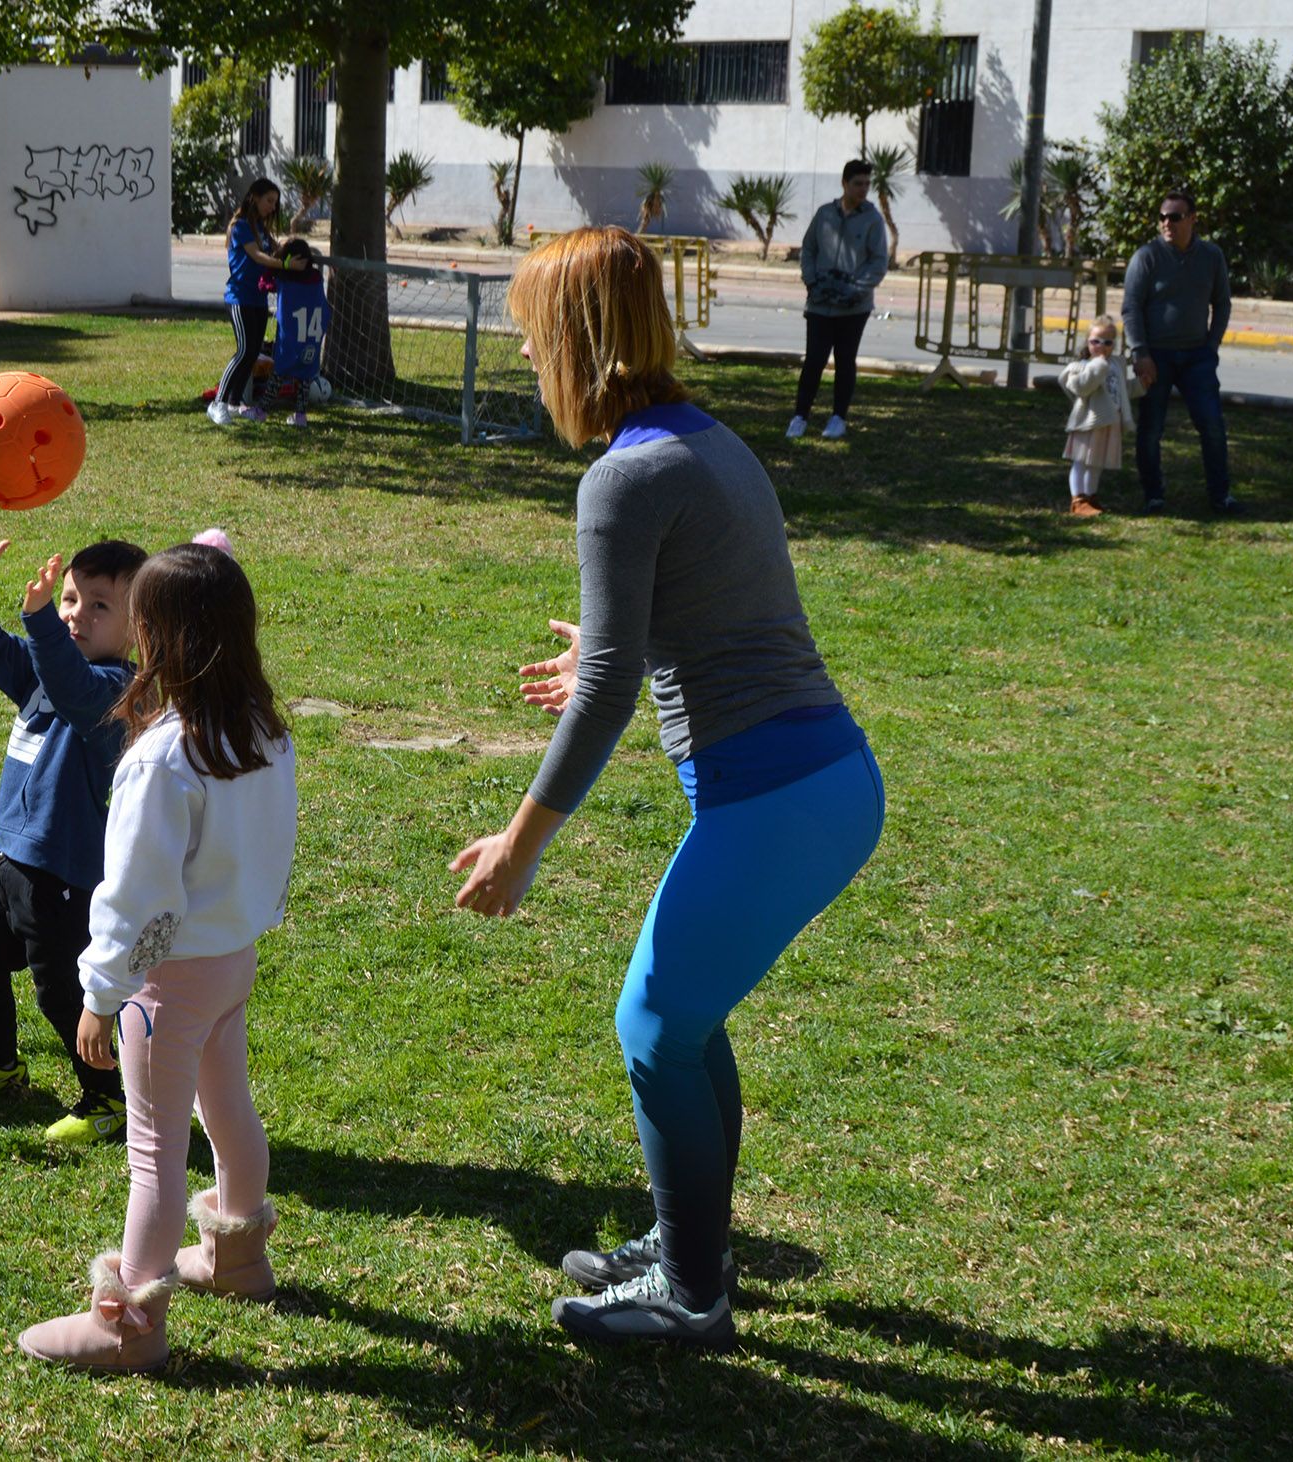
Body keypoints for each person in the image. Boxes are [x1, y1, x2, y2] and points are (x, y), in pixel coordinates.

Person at [455, 227, 885, 1350]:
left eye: (527, 334)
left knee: (652, 1026)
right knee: (683, 1023)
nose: (520, 354)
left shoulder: (621, 477)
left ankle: (692, 1293)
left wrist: (519, 840)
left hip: (780, 792)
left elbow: (604, 690)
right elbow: (694, 618)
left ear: (571, 339)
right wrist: (615, 646)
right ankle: (690, 1242)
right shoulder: (698, 441)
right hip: (812, 782)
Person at [17, 539, 298, 1374]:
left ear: (153, 635)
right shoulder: (264, 731)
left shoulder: (161, 756)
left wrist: (104, 993)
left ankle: (129, 1322)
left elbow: (137, 891)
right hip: (232, 959)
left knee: (153, 1147)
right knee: (228, 1107)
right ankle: (238, 1257)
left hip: (165, 980)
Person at [0, 514, 148, 1146]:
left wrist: (43, 619)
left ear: (140, 630)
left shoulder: (117, 690)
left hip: (64, 875)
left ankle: (107, 1098)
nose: (76, 614)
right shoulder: (50, 668)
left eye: (99, 606)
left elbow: (73, 690)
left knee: (61, 996)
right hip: (12, 860)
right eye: (71, 597)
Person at [1122, 190, 1240, 515]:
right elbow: (1131, 308)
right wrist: (1140, 352)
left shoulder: (1211, 256)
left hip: (1197, 357)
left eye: (1174, 217)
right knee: (1151, 429)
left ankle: (1221, 496)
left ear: (1192, 219)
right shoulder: (1146, 257)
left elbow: (1223, 303)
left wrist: (1212, 345)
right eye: (1162, 217)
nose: (1166, 223)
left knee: (1212, 426)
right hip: (1155, 356)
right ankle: (1154, 496)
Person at [788, 159, 888, 442]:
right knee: (814, 360)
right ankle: (800, 416)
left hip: (854, 307)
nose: (863, 189)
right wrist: (811, 280)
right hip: (820, 303)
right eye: (858, 183)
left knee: (845, 361)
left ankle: (838, 418)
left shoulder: (873, 219)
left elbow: (879, 262)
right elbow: (808, 249)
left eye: (867, 184)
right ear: (844, 183)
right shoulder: (824, 214)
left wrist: (855, 289)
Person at [211, 178, 288, 427]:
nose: (272, 207)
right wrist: (285, 265)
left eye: (275, 203)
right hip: (239, 299)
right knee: (244, 350)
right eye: (269, 201)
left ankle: (235, 403)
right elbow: (257, 256)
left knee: (254, 352)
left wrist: (290, 252)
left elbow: (273, 251)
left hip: (258, 299)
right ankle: (217, 404)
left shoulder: (261, 229)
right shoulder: (241, 226)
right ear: (254, 197)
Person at [1058, 316, 1145, 517]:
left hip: (1109, 422)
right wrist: (1097, 367)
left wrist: (1141, 385)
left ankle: (1091, 496)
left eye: (1107, 342)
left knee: (1097, 463)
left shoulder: (1116, 364)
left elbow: (1122, 391)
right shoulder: (1081, 366)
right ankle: (1078, 500)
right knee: (1081, 461)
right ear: (1087, 342)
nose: (1101, 346)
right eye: (1095, 341)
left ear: (1113, 345)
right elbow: (1081, 388)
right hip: (1088, 422)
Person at [264, 237, 328, 428]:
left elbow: (265, 283)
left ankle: (262, 409)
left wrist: (281, 265)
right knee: (305, 376)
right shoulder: (316, 278)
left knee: (279, 372)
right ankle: (300, 414)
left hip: (290, 338)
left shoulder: (284, 280)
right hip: (311, 339)